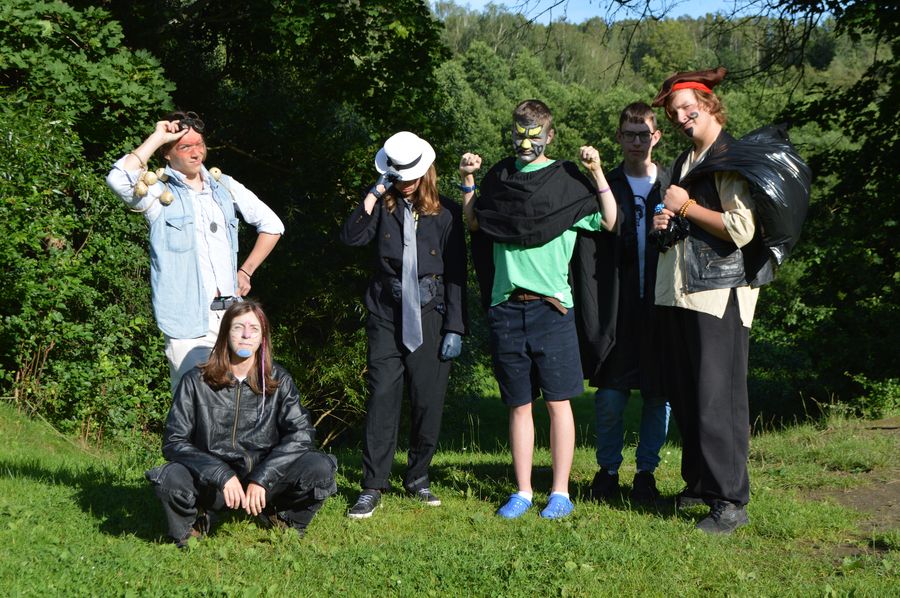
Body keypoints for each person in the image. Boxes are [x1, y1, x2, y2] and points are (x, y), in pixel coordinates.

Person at [460, 100, 617, 519]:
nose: (525, 143)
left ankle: (560, 492)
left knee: (558, 403)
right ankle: (523, 491)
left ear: (550, 136)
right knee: (519, 404)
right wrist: (468, 180)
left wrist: (597, 172)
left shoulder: (566, 182)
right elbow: (474, 223)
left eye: (534, 136)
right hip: (507, 307)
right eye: (519, 135)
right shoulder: (500, 179)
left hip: (553, 310)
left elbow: (609, 220)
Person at [650, 67, 767, 533]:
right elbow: (690, 221)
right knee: (688, 394)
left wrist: (684, 207)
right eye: (673, 112)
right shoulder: (686, 160)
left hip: (720, 295)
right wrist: (666, 223)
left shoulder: (728, 157)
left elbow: (741, 229)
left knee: (718, 400)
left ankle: (730, 501)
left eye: (686, 108)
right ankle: (699, 485)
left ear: (708, 103)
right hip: (681, 291)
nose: (681, 117)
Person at [106, 111, 284, 390]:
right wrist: (158, 136)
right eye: (185, 146)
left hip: (232, 318)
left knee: (236, 401)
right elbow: (118, 179)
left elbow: (272, 225)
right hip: (187, 322)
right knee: (194, 401)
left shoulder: (223, 186)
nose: (196, 152)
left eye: (199, 144)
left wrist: (246, 271)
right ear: (167, 154)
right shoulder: (158, 193)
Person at [341, 131, 467, 519]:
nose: (405, 183)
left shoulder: (447, 212)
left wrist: (456, 326)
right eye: (398, 176)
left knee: (428, 400)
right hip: (386, 312)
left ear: (425, 172)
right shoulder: (382, 206)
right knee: (382, 397)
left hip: (431, 313)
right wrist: (373, 193)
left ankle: (417, 477)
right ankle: (372, 485)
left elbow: (457, 272)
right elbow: (351, 237)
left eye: (411, 176)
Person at [145, 300, 337, 547]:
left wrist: (263, 477)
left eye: (254, 329)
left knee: (320, 468)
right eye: (238, 327)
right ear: (226, 333)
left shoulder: (280, 380)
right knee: (171, 477)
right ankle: (194, 523)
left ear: (263, 338)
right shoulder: (195, 381)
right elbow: (174, 441)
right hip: (212, 484)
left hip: (264, 481)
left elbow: (301, 435)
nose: (246, 335)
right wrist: (220, 474)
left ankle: (283, 518)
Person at [579, 102, 671, 504]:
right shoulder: (606, 183)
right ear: (618, 137)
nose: (637, 141)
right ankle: (608, 471)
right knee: (611, 396)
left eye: (643, 134)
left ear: (656, 137)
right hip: (616, 305)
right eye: (629, 134)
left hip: (662, 306)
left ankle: (646, 473)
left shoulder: (671, 184)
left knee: (659, 395)